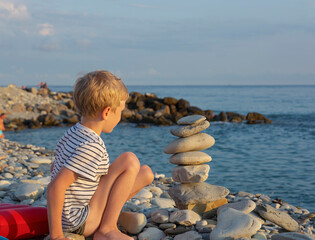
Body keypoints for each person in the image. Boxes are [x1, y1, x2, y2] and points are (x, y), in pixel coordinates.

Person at [47, 70, 154, 240]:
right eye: (120, 111)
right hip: (79, 221)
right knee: (129, 160)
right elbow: (55, 187)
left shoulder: (74, 132)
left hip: (74, 213)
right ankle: (107, 228)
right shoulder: (91, 146)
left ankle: (112, 217)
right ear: (106, 112)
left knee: (146, 174)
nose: (121, 117)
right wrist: (57, 235)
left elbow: (55, 168)